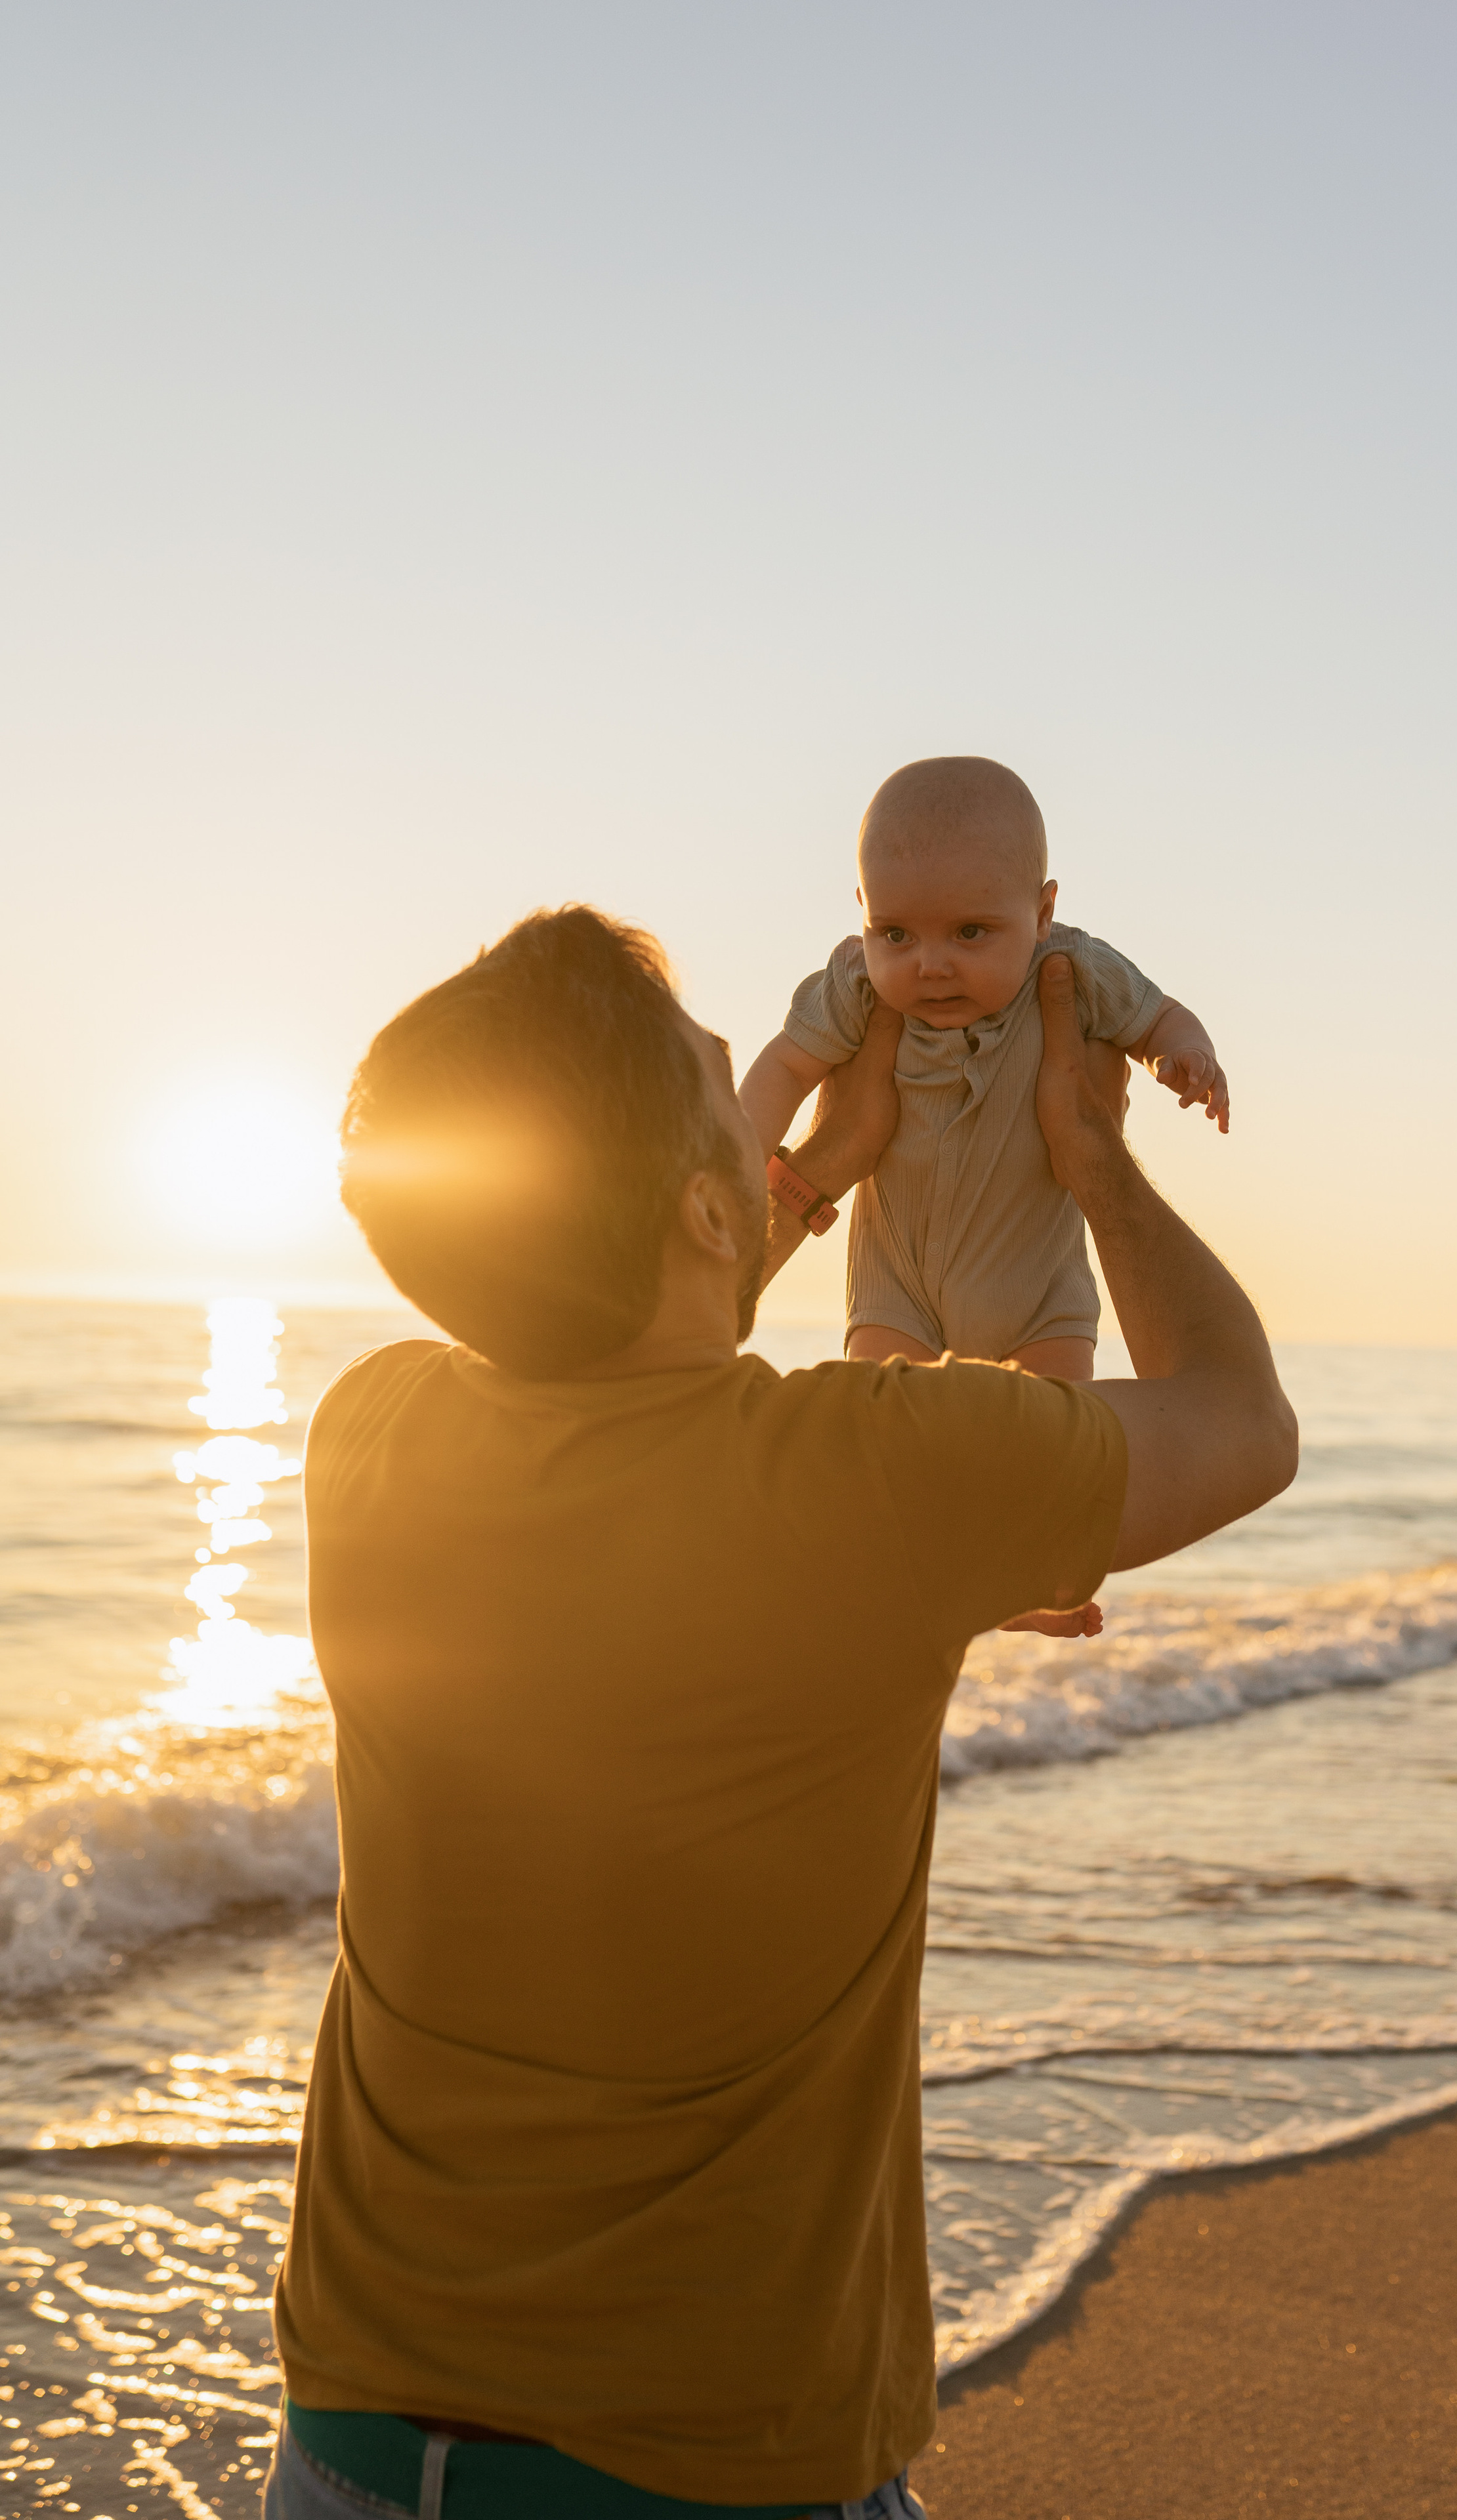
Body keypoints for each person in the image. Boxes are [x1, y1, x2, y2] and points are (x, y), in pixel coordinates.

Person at [264, 903, 1296, 2520]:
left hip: (355, 2441)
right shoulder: (888, 1476)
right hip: (703, 2458)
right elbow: (1238, 1422)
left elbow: (612, 1319)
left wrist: (812, 1174)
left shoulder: (370, 1436)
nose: (761, 1085)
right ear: (695, 1201)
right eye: (719, 1086)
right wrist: (1089, 1163)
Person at [739, 753, 1229, 1388]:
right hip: (897, 1296)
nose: (930, 964)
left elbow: (1159, 1016)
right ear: (862, 907)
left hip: (1041, 1305)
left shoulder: (1075, 969)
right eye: (895, 934)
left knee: (1047, 1449)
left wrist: (1183, 1054)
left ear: (1043, 914)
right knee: (893, 1437)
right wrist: (739, 1159)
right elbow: (784, 1063)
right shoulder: (855, 985)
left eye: (970, 932)